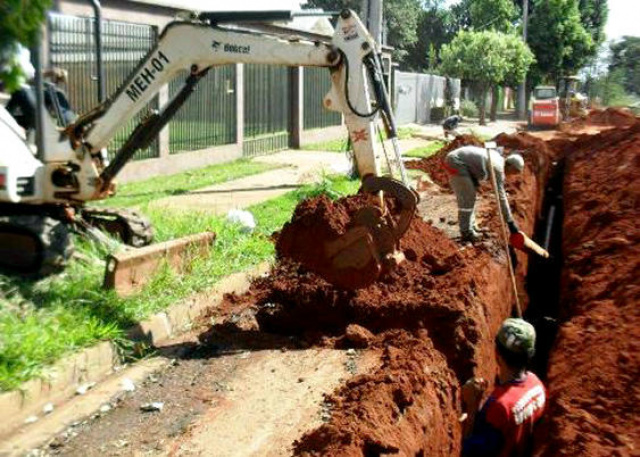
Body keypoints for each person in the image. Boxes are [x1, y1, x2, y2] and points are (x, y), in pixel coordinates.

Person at [461, 318, 546, 457]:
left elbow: (471, 453)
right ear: (530, 354)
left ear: (497, 353)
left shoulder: (500, 408)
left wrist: (472, 408)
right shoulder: (537, 385)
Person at [443, 146, 524, 242]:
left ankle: (472, 226)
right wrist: (510, 223)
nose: (512, 175)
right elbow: (501, 198)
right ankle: (466, 232)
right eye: (514, 172)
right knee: (467, 198)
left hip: (460, 162)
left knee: (471, 195)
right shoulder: (498, 169)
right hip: (456, 162)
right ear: (510, 165)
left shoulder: (498, 159)